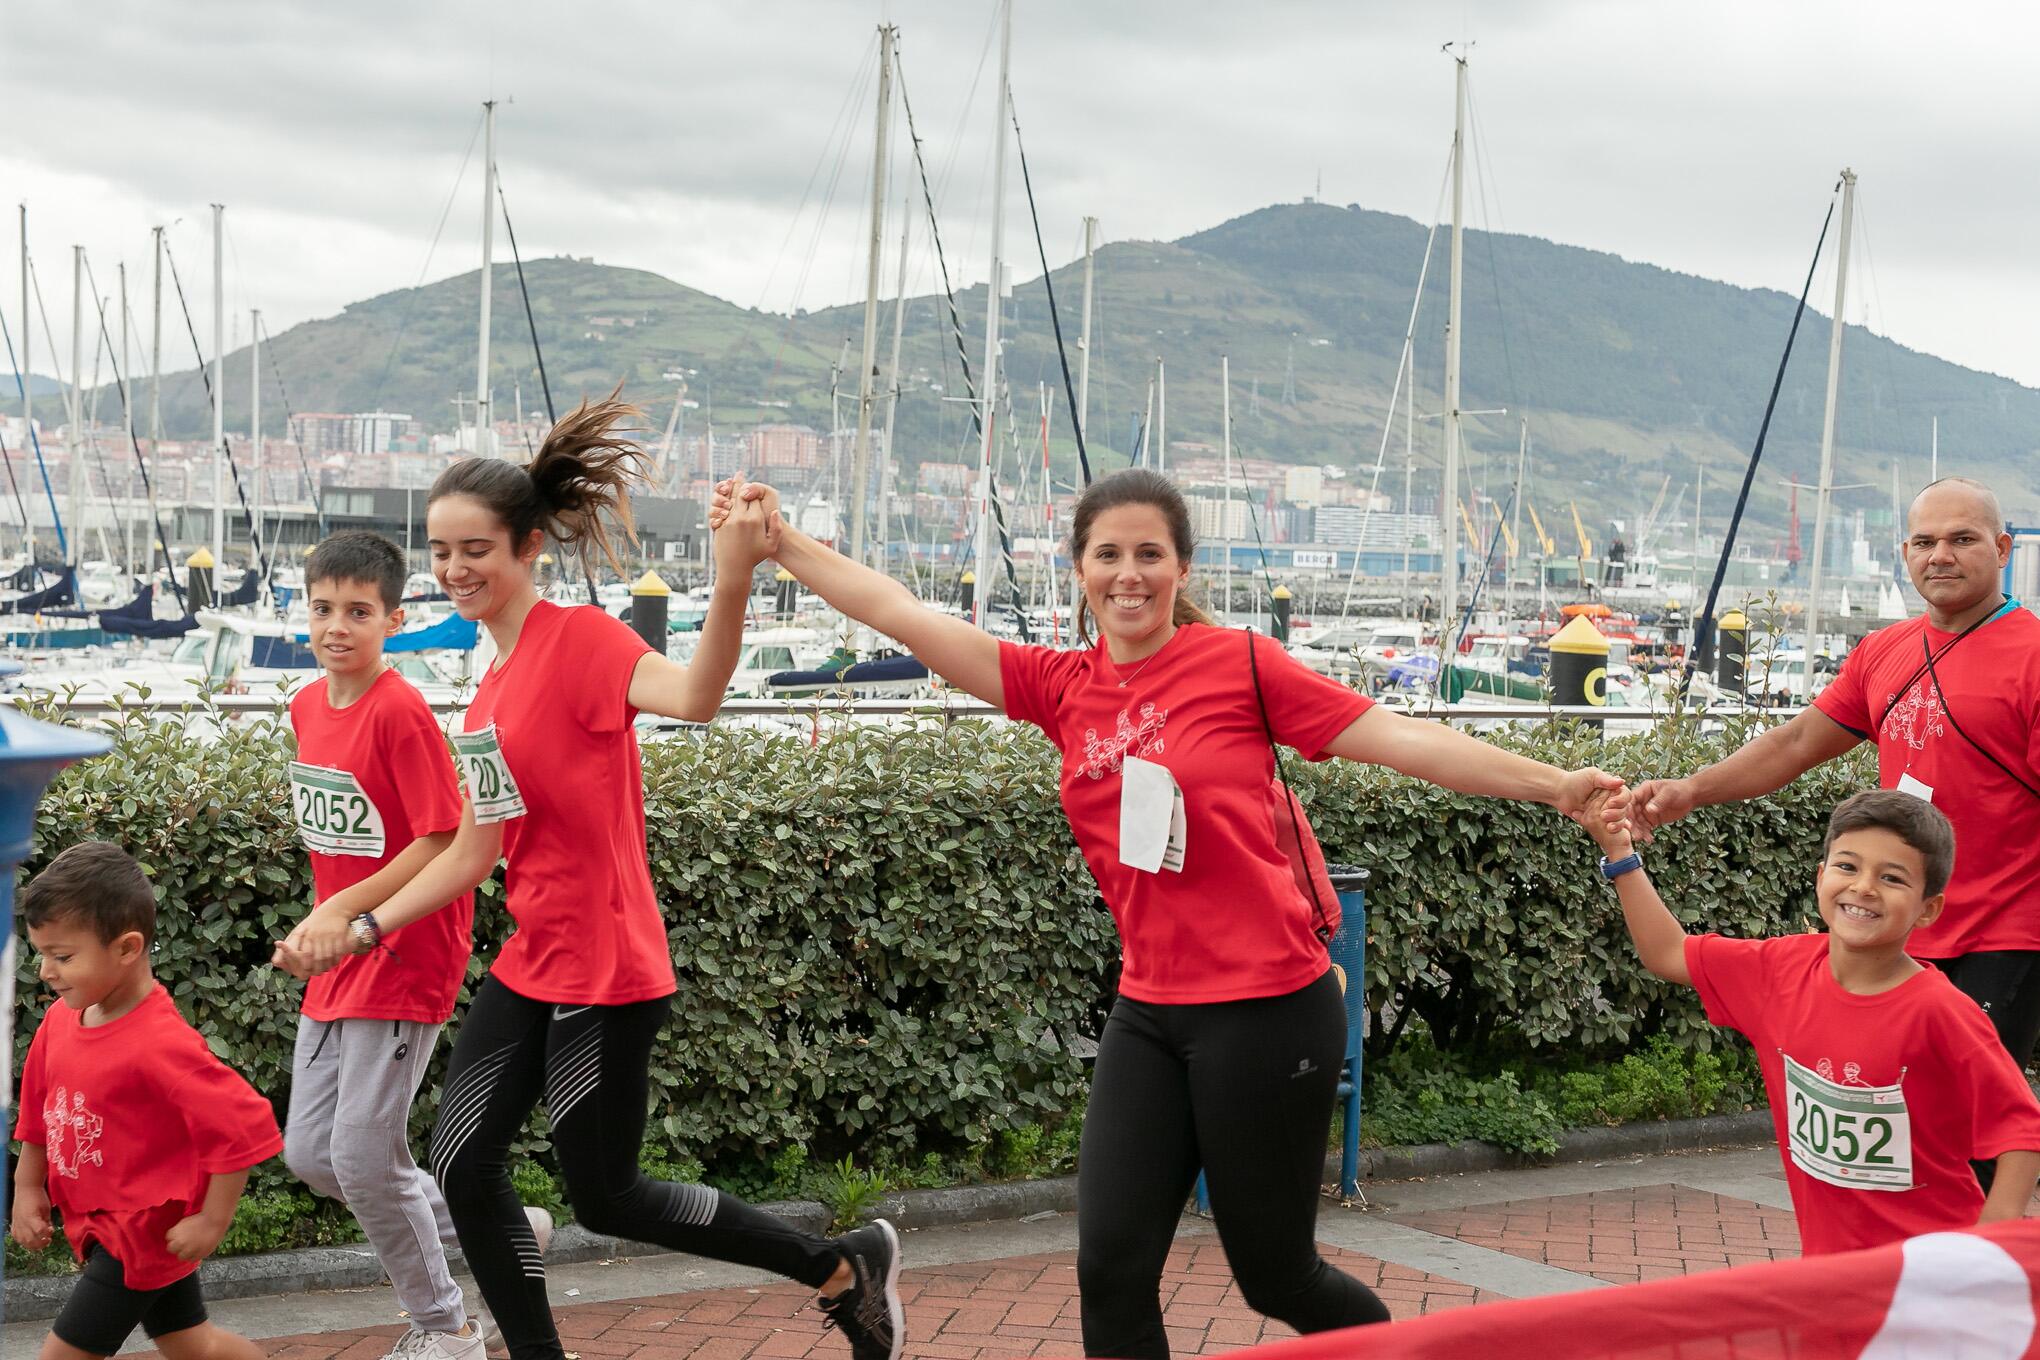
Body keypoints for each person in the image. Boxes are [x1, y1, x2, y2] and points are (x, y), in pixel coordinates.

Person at [713, 467, 1618, 1359]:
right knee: (1108, 1272)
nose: (1129, 573)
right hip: (1149, 1015)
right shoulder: (1060, 687)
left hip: (1269, 1012)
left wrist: (1556, 785)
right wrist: (780, 543)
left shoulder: (1241, 668)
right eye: (1108, 554)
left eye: (1150, 553)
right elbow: (901, 613)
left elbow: (1401, 740)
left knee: (1276, 1277)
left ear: (1183, 570)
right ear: (1080, 572)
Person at [276, 395, 902, 1360]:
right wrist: (360, 926)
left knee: (609, 1197)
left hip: (607, 965)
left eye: (475, 549)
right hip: (534, 958)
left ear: (528, 546)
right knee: (459, 1159)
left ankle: (838, 1267)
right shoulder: (482, 694)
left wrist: (733, 577)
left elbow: (696, 697)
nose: (453, 570)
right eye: (441, 552)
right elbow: (472, 854)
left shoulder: (586, 643)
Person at [1627, 479, 2040, 1133]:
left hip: (2006, 934)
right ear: (1905, 552)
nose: (1942, 555)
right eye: (1926, 542)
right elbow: (1793, 744)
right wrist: (1689, 791)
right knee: (1896, 1119)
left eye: (1963, 540)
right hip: (1897, 926)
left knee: (1968, 1124)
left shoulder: (2033, 657)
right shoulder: (1883, 652)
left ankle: (1991, 1232)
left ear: (2002, 547)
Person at [1579, 786, 2040, 1253]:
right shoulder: (1777, 971)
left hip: (1937, 1281)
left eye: (1893, 878)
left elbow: (2022, 1129)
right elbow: (1667, 953)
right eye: (1847, 866)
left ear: (1928, 909)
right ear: (1820, 877)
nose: (1863, 887)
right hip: (1829, 1280)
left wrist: (1990, 1247)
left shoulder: (1940, 1011)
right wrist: (1620, 853)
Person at [272, 530, 522, 1360]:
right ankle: (502, 1227)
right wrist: (325, 927)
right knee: (312, 1154)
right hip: (335, 953)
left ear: (393, 619)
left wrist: (341, 914)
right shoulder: (307, 706)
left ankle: (445, 1327)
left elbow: (438, 838)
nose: (336, 626)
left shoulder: (400, 709)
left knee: (363, 1154)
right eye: (321, 608)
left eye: (358, 611)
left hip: (399, 949)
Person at [11, 842, 283, 1360]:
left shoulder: (161, 1044)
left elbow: (245, 1124)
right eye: (41, 953)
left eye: (63, 956)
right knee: (192, 1344)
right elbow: (39, 1110)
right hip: (105, 1223)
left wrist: (211, 1221)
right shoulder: (60, 1021)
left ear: (127, 947)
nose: (46, 971)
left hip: (140, 1235)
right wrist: (27, 1185)